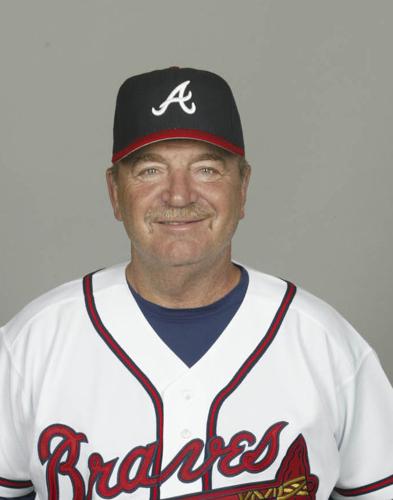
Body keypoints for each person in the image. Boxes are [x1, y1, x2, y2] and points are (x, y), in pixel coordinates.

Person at [1, 67, 392, 500]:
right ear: (115, 192)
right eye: (150, 171)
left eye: (207, 169)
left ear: (243, 188)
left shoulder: (324, 344)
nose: (179, 195)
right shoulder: (31, 347)